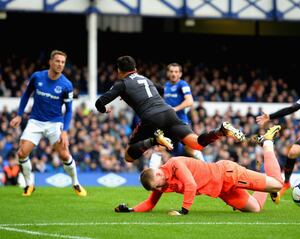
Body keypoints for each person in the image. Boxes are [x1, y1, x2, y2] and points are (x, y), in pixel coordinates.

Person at [95, 56, 245, 164]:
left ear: (119, 71)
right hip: (168, 113)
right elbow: (161, 89)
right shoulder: (145, 79)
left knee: (128, 156)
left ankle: (154, 140)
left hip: (150, 118)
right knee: (196, 144)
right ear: (135, 69)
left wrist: (105, 110)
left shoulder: (121, 84)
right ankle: (221, 131)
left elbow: (99, 103)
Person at [114, 125, 283, 215]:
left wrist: (184, 211)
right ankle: (264, 184)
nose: (159, 190)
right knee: (255, 209)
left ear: (158, 173)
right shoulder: (160, 183)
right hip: (221, 190)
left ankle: (267, 142)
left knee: (277, 184)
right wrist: (130, 210)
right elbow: (150, 203)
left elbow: (191, 185)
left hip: (227, 174)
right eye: (156, 188)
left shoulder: (175, 164)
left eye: (157, 186)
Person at [10, 50, 87, 197]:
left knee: (64, 155)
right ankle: (29, 185)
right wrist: (19, 115)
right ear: (50, 62)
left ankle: (76, 183)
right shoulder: (37, 76)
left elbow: (69, 110)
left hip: (54, 123)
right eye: (57, 61)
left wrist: (65, 130)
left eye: (63, 62)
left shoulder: (66, 85)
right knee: (21, 153)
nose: (60, 64)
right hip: (35, 121)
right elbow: (26, 94)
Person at [149, 63, 204, 168]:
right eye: (171, 71)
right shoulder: (166, 86)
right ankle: (151, 175)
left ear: (180, 74)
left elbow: (190, 101)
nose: (174, 74)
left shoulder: (182, 84)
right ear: (167, 73)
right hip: (168, 123)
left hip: (181, 122)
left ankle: (207, 169)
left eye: (176, 72)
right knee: (159, 147)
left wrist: (174, 109)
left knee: (191, 149)